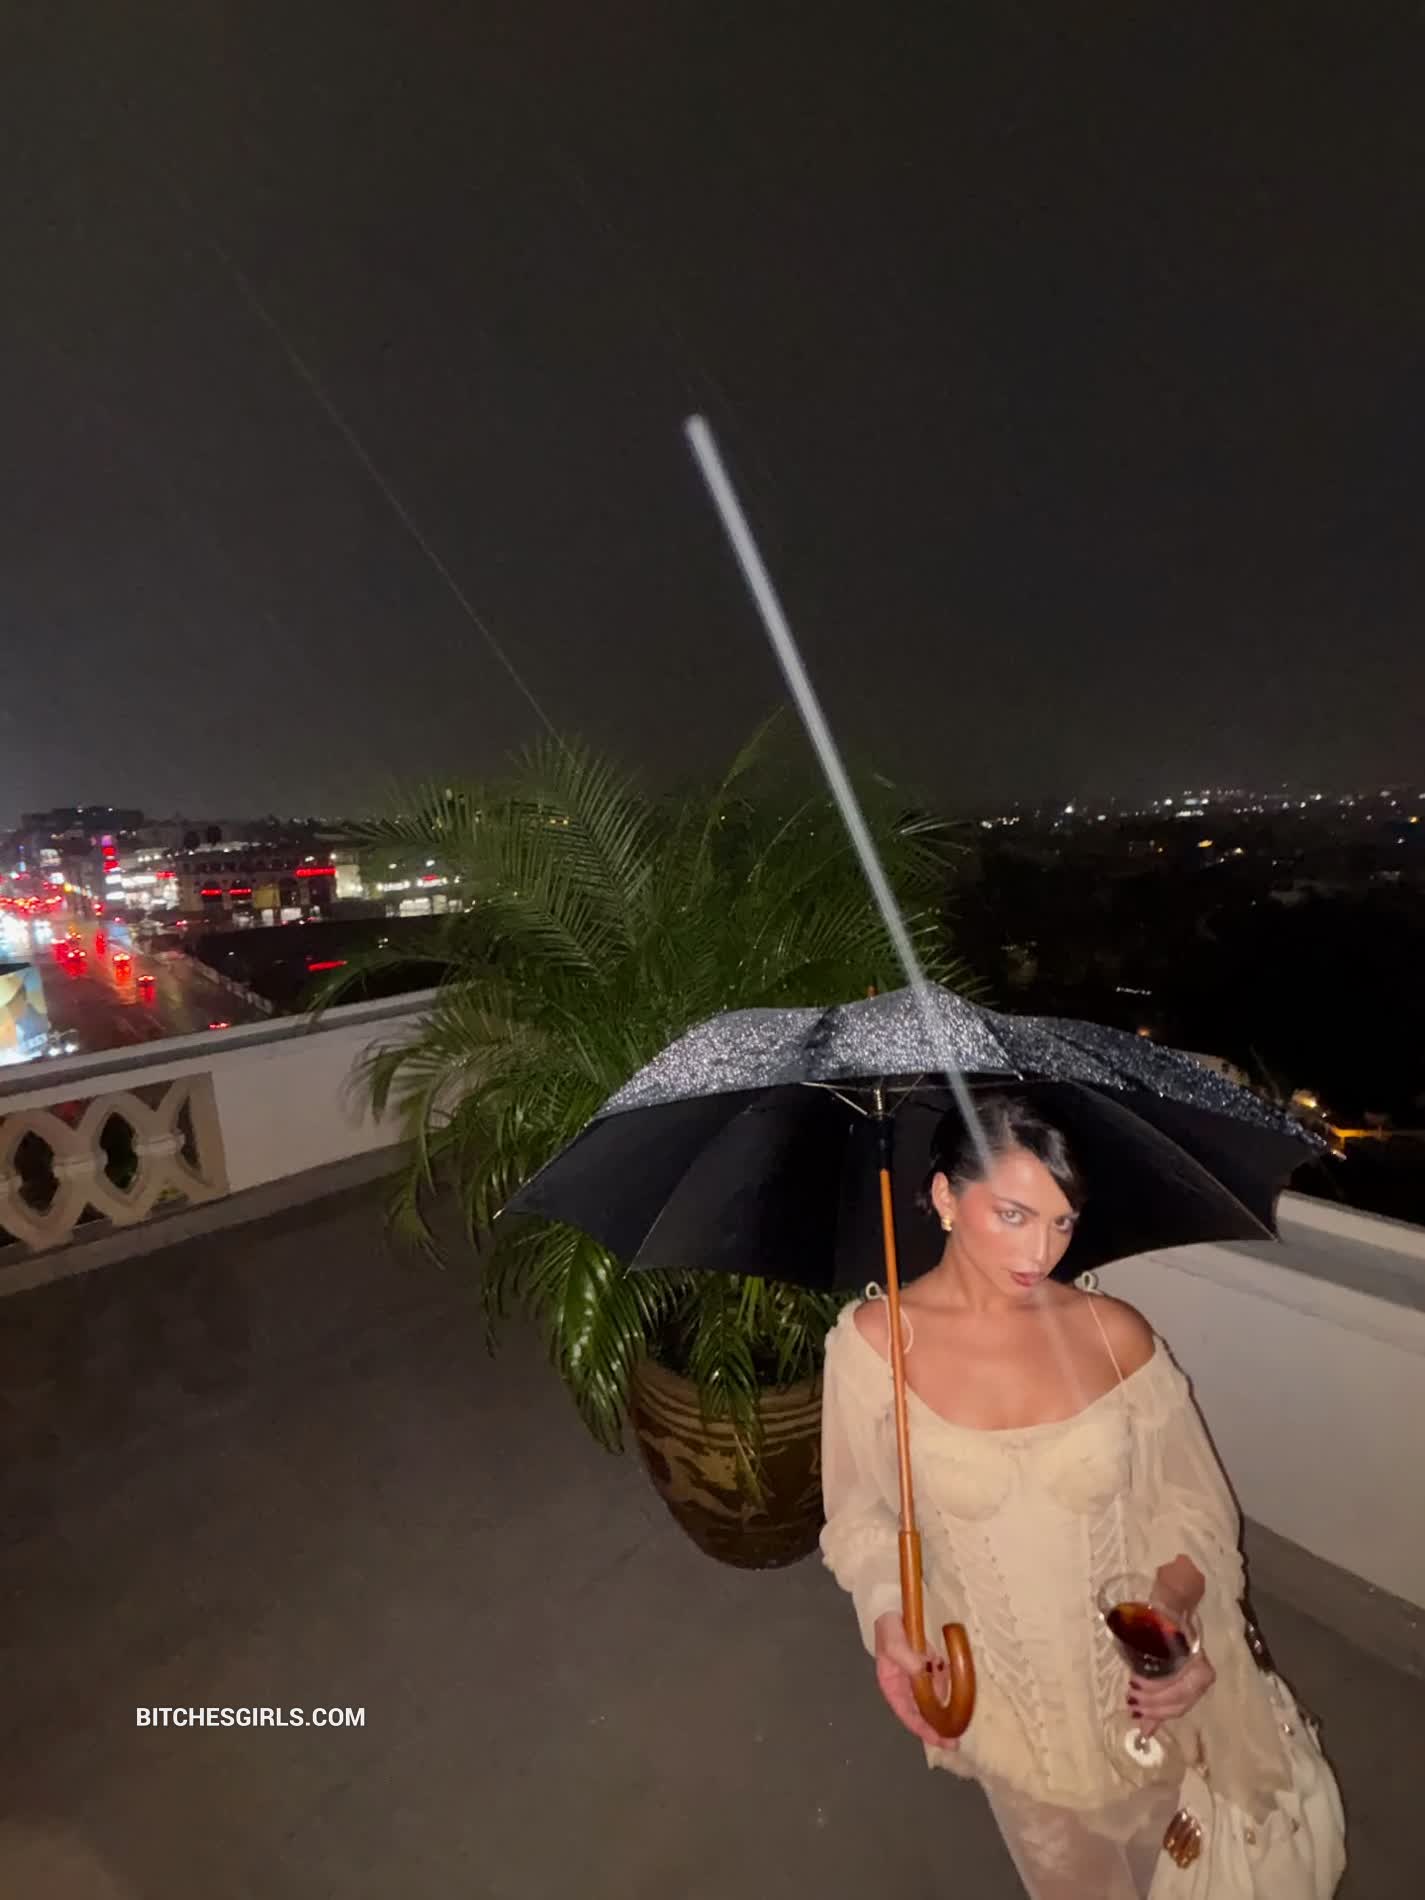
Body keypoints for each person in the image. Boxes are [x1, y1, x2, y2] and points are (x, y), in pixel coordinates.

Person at [819, 1093, 1332, 1900]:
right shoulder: (872, 1348)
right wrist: (888, 1614)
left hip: (1147, 1706)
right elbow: (859, 1517)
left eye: (1062, 1222)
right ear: (945, 1196)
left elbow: (1193, 1505)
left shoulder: (1112, 1332)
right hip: (1009, 1715)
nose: (1042, 1250)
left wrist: (1176, 1619)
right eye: (1014, 1215)